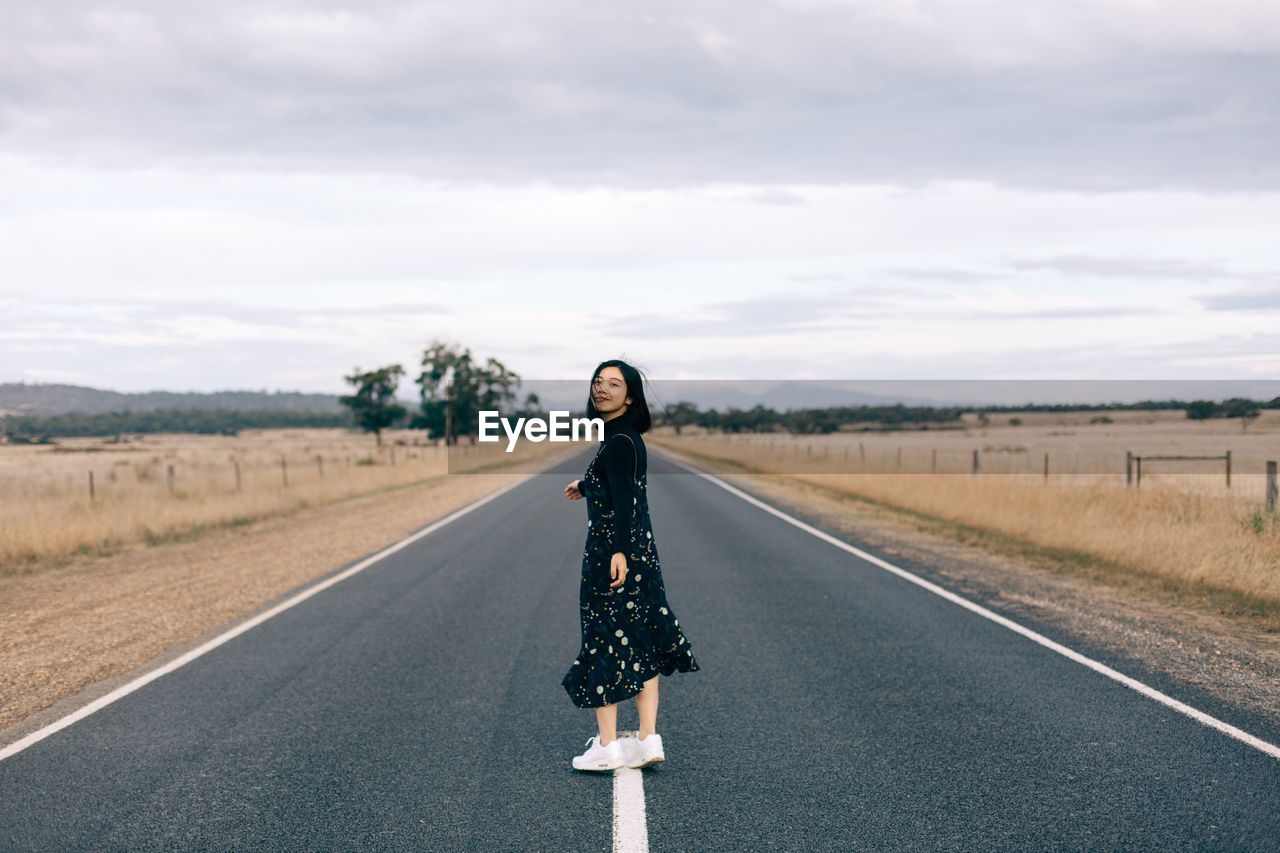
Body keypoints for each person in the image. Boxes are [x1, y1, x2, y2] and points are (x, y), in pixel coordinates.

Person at [561, 359, 700, 772]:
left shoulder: (618, 440)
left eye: (613, 384)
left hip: (612, 552)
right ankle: (646, 738)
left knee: (603, 639)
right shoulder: (625, 438)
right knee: (643, 636)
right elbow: (619, 482)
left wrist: (617, 551)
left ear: (630, 396)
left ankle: (606, 747)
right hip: (643, 552)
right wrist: (585, 485)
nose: (601, 388)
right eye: (598, 382)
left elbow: (625, 500)